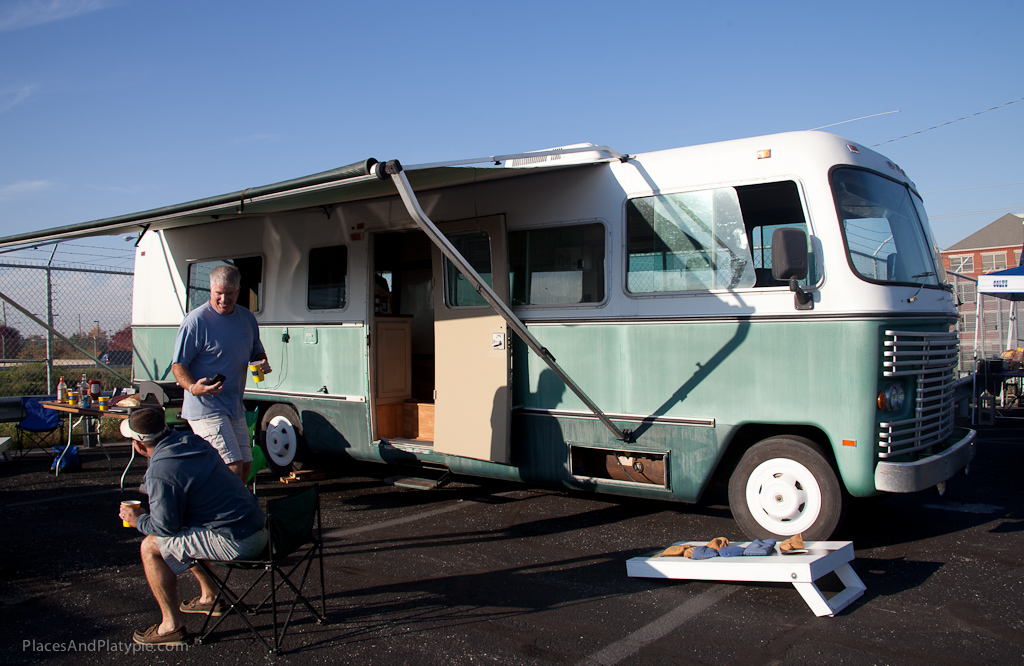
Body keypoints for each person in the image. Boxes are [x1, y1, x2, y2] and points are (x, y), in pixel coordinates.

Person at [118, 407, 268, 646]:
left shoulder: (160, 471)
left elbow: (164, 527)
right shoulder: (192, 441)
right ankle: (210, 596)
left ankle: (170, 627)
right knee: (187, 531)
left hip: (239, 541)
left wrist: (138, 520)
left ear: (138, 444)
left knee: (150, 547)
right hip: (257, 527)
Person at [171, 264, 271, 482]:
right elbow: (178, 365)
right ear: (210, 290)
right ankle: (223, 512)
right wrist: (193, 387)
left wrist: (262, 362)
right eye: (218, 294)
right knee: (232, 468)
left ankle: (234, 510)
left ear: (238, 291)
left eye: (229, 294)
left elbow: (256, 350)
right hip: (205, 407)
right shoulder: (196, 321)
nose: (224, 300)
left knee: (245, 467)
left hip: (233, 406)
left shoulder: (247, 319)